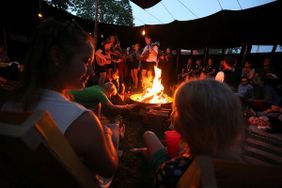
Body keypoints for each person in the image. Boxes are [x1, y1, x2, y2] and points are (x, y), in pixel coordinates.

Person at [0, 18, 119, 185]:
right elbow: (108, 168)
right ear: (57, 56)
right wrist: (106, 134)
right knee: (112, 129)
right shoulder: (83, 121)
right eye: (86, 61)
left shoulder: (7, 106)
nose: (92, 72)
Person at [139, 79, 246, 187]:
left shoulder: (171, 171)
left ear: (183, 124)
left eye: (176, 109)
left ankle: (147, 153)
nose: (173, 114)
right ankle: (146, 152)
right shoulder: (243, 168)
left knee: (148, 135)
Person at [69, 81, 137, 120]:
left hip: (72, 93)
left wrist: (99, 116)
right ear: (109, 91)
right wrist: (126, 106)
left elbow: (99, 103)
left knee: (96, 103)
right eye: (111, 95)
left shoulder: (98, 88)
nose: (110, 97)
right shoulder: (100, 94)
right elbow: (113, 107)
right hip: (70, 96)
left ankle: (98, 117)